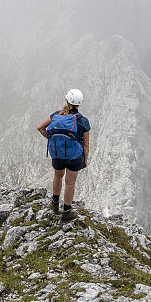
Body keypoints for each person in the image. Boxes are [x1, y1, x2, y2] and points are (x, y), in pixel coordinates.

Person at [36, 88, 91, 222]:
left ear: (66, 100)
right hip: (74, 157)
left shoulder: (56, 115)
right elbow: (86, 144)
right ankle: (66, 212)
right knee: (70, 183)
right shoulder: (83, 121)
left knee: (58, 176)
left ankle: (54, 205)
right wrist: (85, 159)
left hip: (57, 154)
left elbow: (40, 128)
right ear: (79, 104)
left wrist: (51, 138)